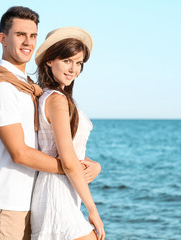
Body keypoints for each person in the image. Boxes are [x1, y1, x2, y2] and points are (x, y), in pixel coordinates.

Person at [0, 7, 101, 240]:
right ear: (3, 38)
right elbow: (19, 153)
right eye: (20, 34)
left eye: (33, 35)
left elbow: (47, 145)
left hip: (30, 200)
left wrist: (89, 164)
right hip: (4, 203)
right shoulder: (3, 88)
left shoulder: (29, 88)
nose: (28, 41)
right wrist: (71, 168)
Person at [30, 27, 105, 240]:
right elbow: (68, 160)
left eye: (79, 63)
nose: (73, 69)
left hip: (60, 193)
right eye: (67, 61)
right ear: (49, 61)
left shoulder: (51, 97)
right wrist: (93, 210)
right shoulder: (56, 99)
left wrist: (95, 165)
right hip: (57, 195)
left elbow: (67, 151)